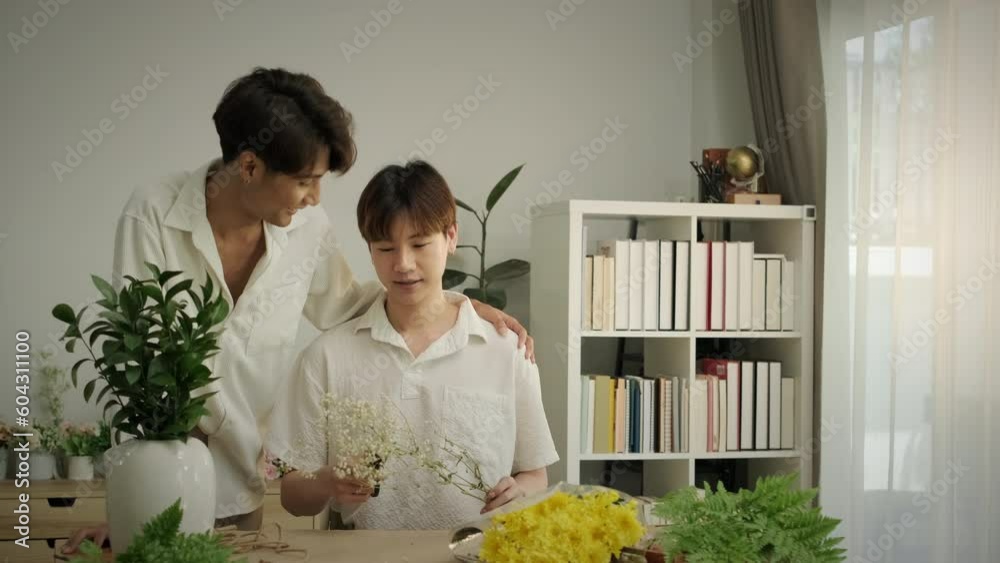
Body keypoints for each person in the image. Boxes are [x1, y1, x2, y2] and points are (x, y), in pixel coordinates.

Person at [62, 68, 532, 553]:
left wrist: (456, 303)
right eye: (306, 181)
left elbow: (349, 306)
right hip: (160, 482)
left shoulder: (307, 228)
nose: (316, 197)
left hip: (240, 488)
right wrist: (132, 507)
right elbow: (137, 368)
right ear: (249, 167)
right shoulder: (153, 216)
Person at [265, 160, 558, 529]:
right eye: (385, 248)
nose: (403, 264)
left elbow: (536, 474)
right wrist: (327, 483)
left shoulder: (507, 351)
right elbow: (292, 496)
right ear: (369, 249)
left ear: (451, 237)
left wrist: (522, 491)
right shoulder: (326, 357)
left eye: (419, 244)